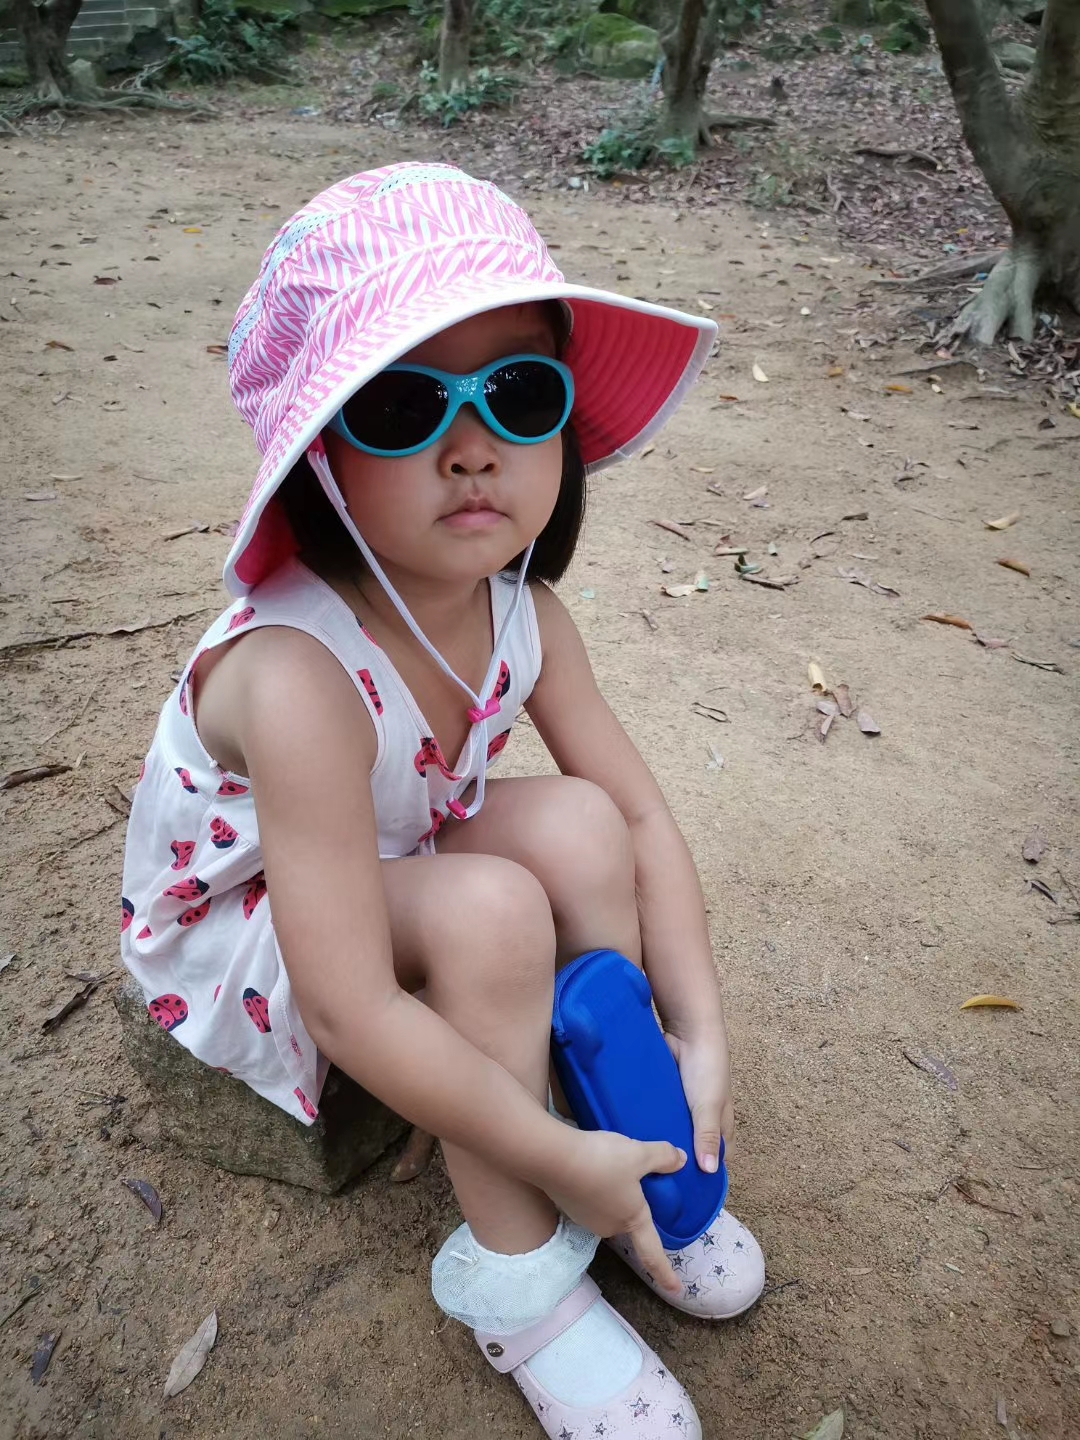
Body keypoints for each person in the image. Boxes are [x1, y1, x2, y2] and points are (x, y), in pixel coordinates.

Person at [120, 162, 765, 1439]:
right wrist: (545, 1158)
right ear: (319, 458)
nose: (472, 447)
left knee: (581, 825)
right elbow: (350, 1003)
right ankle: (524, 1279)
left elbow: (640, 820)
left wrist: (701, 1035)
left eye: (517, 393)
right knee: (490, 912)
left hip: (388, 848)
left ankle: (612, 1117)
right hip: (253, 921)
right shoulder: (295, 673)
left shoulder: (526, 613)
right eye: (403, 405)